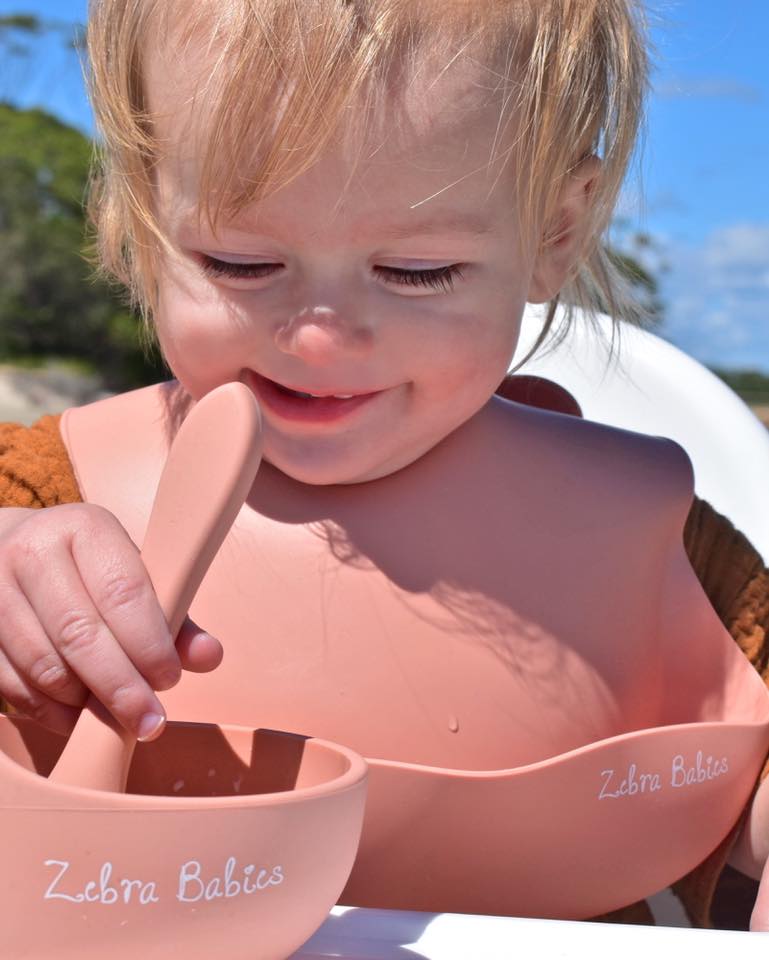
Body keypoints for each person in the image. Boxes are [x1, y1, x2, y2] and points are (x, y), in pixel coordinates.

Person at [1, 0, 769, 928]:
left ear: (555, 233)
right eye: (238, 262)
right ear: (141, 207)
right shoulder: (42, 491)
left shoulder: (660, 543)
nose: (318, 339)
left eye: (416, 271)